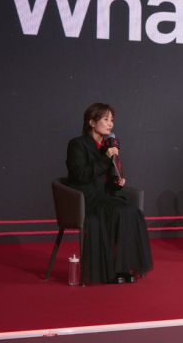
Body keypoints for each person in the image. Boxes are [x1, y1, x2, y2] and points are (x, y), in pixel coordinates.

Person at [65, 103, 153, 284]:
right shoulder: (77, 144)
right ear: (92, 122)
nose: (110, 124)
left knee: (133, 212)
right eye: (105, 119)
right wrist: (105, 158)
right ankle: (115, 270)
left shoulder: (107, 146)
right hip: (85, 198)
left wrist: (116, 183)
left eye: (112, 120)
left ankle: (124, 267)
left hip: (104, 196)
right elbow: (80, 175)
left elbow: (105, 180)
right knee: (121, 211)